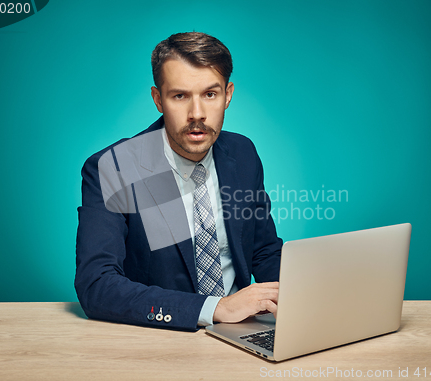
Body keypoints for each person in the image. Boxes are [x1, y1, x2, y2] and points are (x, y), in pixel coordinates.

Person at [75, 32, 282, 331]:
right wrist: (216, 308)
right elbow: (97, 285)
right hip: (160, 338)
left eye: (210, 94)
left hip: (244, 332)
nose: (196, 114)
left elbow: (263, 251)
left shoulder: (243, 153)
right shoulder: (115, 168)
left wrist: (300, 296)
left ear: (228, 95)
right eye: (180, 96)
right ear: (158, 99)